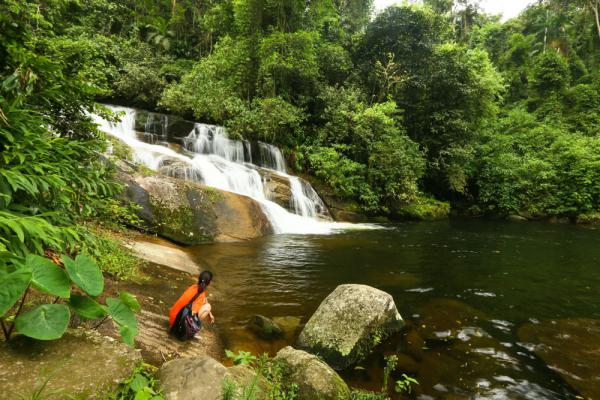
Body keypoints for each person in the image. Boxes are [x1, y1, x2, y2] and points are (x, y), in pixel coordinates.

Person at [169, 270, 214, 338]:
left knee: (204, 306)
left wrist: (210, 314)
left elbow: (204, 299)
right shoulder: (201, 294)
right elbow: (193, 312)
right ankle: (192, 330)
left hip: (172, 319)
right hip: (179, 326)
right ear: (209, 282)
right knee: (208, 307)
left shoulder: (193, 287)